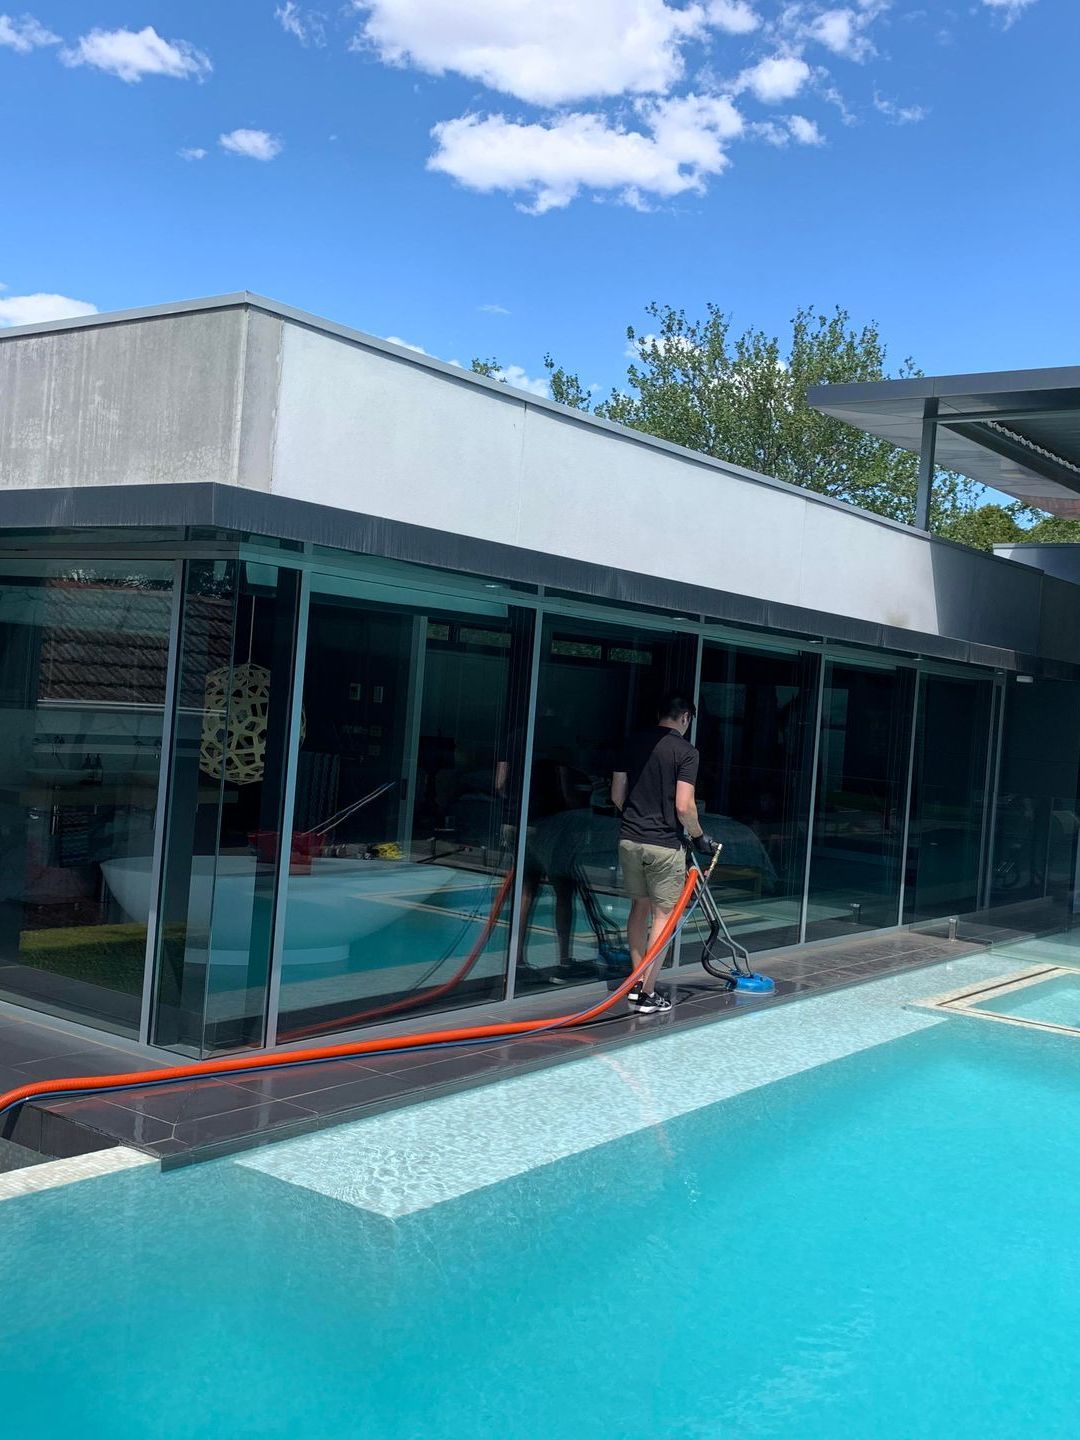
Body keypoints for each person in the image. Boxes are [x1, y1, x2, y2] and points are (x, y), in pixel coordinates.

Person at [611, 695, 714, 1015]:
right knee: (663, 916)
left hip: (629, 839)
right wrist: (699, 838)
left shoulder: (633, 742)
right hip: (664, 844)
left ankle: (636, 982)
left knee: (638, 908)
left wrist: (636, 819)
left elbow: (617, 794)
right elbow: (685, 806)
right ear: (684, 717)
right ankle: (647, 992)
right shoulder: (686, 752)